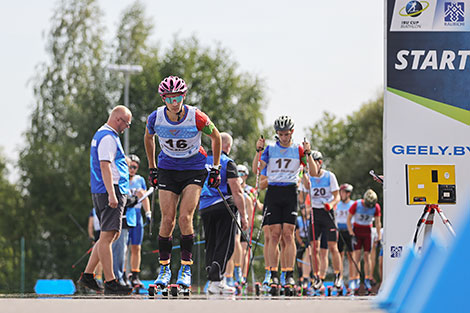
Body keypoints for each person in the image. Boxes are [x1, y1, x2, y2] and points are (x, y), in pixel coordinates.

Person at [144, 76, 222, 292]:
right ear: (163, 99)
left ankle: (186, 270)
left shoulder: (196, 116)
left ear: (183, 96)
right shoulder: (155, 118)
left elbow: (216, 138)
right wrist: (152, 167)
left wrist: (215, 168)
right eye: (169, 98)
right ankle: (165, 269)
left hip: (193, 169)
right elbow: (148, 138)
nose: (174, 102)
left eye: (177, 97)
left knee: (185, 217)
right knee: (167, 219)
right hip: (168, 168)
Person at [253, 115, 316, 295]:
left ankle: (288, 274)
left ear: (292, 133)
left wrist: (308, 153)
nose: (284, 137)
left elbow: (312, 172)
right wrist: (258, 150)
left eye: (287, 134)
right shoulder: (271, 149)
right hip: (273, 191)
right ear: (277, 134)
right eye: (280, 134)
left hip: (290, 192)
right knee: (274, 235)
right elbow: (256, 170)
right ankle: (273, 273)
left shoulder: (298, 149)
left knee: (288, 234)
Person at [77, 105, 133, 295]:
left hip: (106, 189)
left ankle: (88, 274)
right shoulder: (108, 137)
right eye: (127, 123)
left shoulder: (102, 134)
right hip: (110, 190)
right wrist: (111, 193)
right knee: (108, 236)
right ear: (118, 120)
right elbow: (105, 166)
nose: (127, 127)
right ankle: (111, 281)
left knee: (109, 236)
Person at [200, 132, 248, 294]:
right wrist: (244, 216)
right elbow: (237, 190)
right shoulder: (227, 162)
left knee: (210, 243)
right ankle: (216, 280)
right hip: (224, 205)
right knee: (225, 245)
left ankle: (214, 279)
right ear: (227, 146)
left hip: (204, 206)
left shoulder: (202, 160)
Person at [306, 151, 342, 291]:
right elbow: (304, 193)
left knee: (333, 247)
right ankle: (317, 277)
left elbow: (337, 196)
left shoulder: (329, 176)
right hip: (315, 213)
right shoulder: (309, 177)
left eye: (313, 163)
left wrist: (331, 204)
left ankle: (338, 276)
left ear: (319, 163)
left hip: (328, 212)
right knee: (314, 247)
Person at [347, 189, 382, 294]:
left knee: (367, 256)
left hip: (367, 231)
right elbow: (348, 219)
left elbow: (378, 222)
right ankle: (354, 279)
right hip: (357, 230)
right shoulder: (357, 204)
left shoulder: (376, 207)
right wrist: (351, 233)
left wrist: (379, 236)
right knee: (356, 256)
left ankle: (367, 278)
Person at [126, 154, 152, 289]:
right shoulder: (121, 177)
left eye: (135, 167)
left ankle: (135, 275)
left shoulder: (139, 180)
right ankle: (123, 274)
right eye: (130, 166)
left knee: (136, 246)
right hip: (125, 213)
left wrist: (148, 213)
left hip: (136, 214)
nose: (132, 169)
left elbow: (145, 196)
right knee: (123, 247)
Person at [335, 183, 356, 290]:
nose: (341, 194)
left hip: (349, 231)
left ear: (348, 193)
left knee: (351, 256)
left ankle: (352, 279)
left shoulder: (353, 204)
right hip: (339, 231)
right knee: (339, 256)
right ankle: (340, 279)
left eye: (342, 192)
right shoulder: (337, 204)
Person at [87, 208, 103, 284]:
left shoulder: (93, 210)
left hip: (97, 233)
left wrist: (91, 237)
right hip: (106, 231)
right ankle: (100, 277)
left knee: (99, 256)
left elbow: (90, 226)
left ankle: (98, 277)